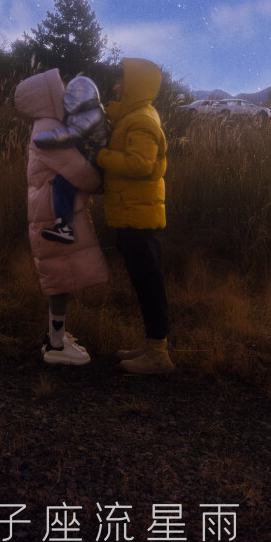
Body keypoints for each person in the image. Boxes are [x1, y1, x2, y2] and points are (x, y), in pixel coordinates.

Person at [14, 68, 108, 365]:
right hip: (52, 213)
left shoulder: (47, 124)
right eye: (61, 88)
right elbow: (80, 172)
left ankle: (57, 335)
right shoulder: (47, 127)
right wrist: (100, 181)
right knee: (59, 278)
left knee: (61, 276)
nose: (66, 92)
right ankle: (55, 345)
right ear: (48, 96)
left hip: (49, 210)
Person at [96, 57, 172, 373]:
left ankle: (158, 356)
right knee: (144, 282)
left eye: (121, 81)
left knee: (149, 283)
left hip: (138, 216)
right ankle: (152, 347)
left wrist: (99, 156)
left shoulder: (141, 120)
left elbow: (140, 165)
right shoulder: (133, 117)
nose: (115, 86)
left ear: (136, 86)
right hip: (131, 212)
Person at [32, 75, 111, 244]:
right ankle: (64, 227)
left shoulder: (93, 114)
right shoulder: (87, 112)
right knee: (62, 184)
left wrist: (41, 139)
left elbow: (71, 134)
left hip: (95, 165)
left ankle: (64, 227)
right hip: (90, 162)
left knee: (62, 183)